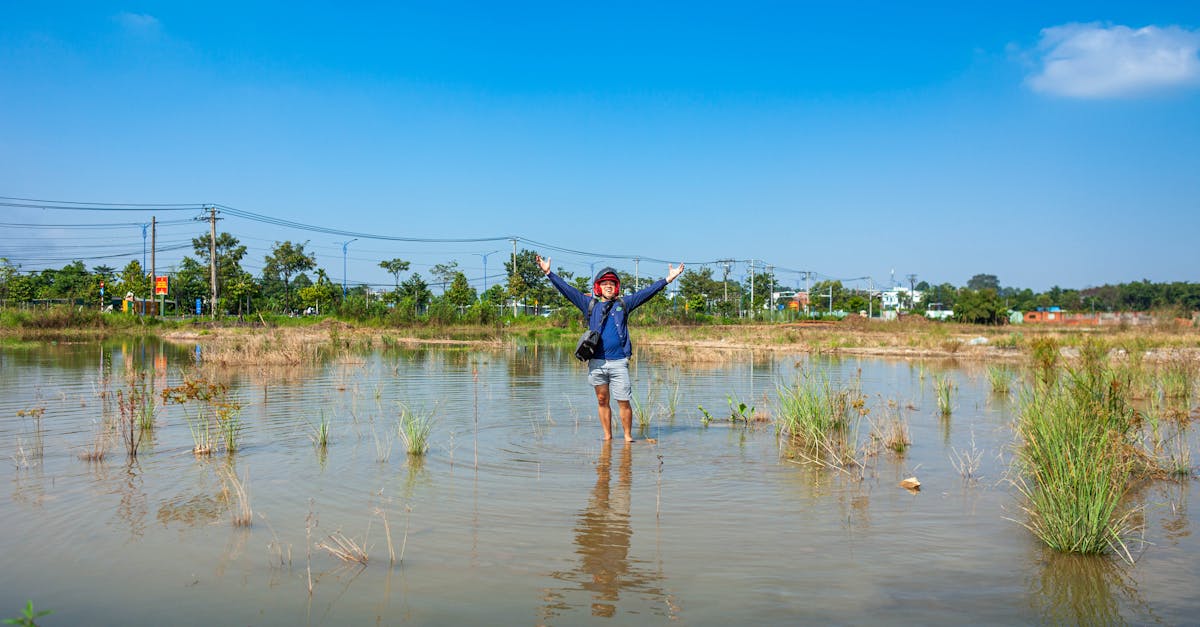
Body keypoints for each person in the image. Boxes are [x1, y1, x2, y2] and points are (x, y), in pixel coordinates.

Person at [537, 255, 684, 441]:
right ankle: (608, 438)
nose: (609, 286)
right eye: (605, 283)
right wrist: (549, 273)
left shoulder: (624, 304)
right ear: (599, 287)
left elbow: (647, 293)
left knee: (623, 401)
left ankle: (628, 438)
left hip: (619, 362)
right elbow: (568, 291)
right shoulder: (590, 305)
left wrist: (668, 279)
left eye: (612, 283)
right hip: (596, 363)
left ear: (616, 287)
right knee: (602, 400)